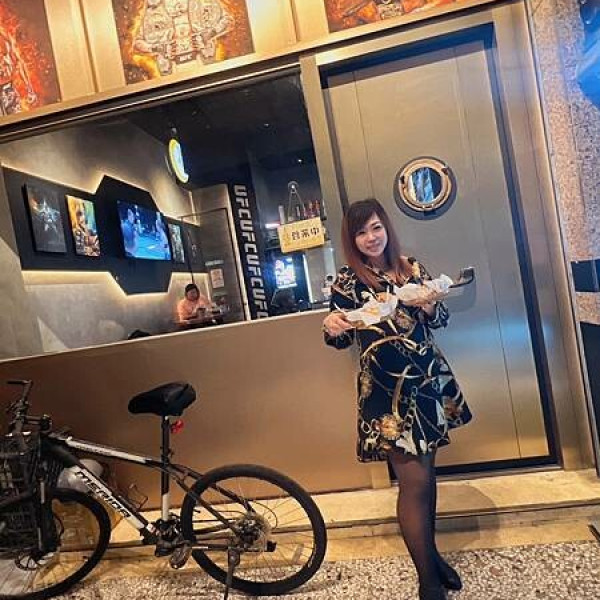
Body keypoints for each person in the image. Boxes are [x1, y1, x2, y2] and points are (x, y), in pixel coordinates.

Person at [322, 198, 472, 600]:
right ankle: (427, 580)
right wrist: (332, 325)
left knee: (427, 477)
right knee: (413, 482)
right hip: (387, 396)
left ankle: (433, 558)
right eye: (361, 232)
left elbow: (439, 320)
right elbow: (337, 336)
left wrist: (431, 304)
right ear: (352, 240)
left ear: (386, 228)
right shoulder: (347, 282)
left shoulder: (411, 268)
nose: (371, 238)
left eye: (375, 228)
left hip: (426, 382)